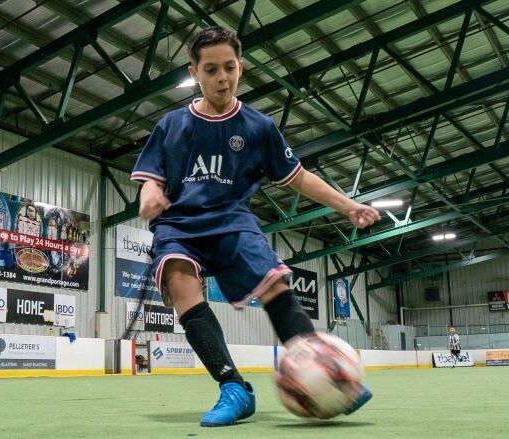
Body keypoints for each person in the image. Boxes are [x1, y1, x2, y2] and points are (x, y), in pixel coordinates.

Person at [131, 26, 381, 427]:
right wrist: (148, 193)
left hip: (233, 221)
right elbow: (151, 175)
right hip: (179, 224)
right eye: (211, 69)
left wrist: (347, 204)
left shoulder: (258, 126)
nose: (222, 78)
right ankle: (234, 388)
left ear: (241, 67)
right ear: (194, 72)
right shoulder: (171, 124)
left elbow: (297, 175)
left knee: (275, 283)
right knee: (178, 277)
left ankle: (328, 373)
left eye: (229, 67)